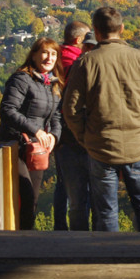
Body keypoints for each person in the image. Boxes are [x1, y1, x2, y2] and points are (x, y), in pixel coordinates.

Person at [63, 7, 140, 232]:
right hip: (138, 146)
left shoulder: (86, 62)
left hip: (101, 147)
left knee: (106, 212)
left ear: (97, 32)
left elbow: (70, 109)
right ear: (122, 29)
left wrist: (85, 139)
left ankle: (111, 262)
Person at [0, 38, 63, 230]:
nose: (49, 58)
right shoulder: (21, 79)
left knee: (32, 198)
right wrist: (36, 130)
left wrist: (54, 136)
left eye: (53, 54)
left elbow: (57, 117)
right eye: (44, 52)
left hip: (36, 151)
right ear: (33, 55)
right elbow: (7, 110)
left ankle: (26, 238)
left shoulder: (53, 84)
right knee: (23, 195)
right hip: (13, 146)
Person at [54, 23, 95, 231]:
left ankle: (63, 231)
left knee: (68, 191)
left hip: (62, 138)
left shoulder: (55, 56)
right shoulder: (76, 63)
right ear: (80, 41)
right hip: (83, 140)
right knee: (94, 199)